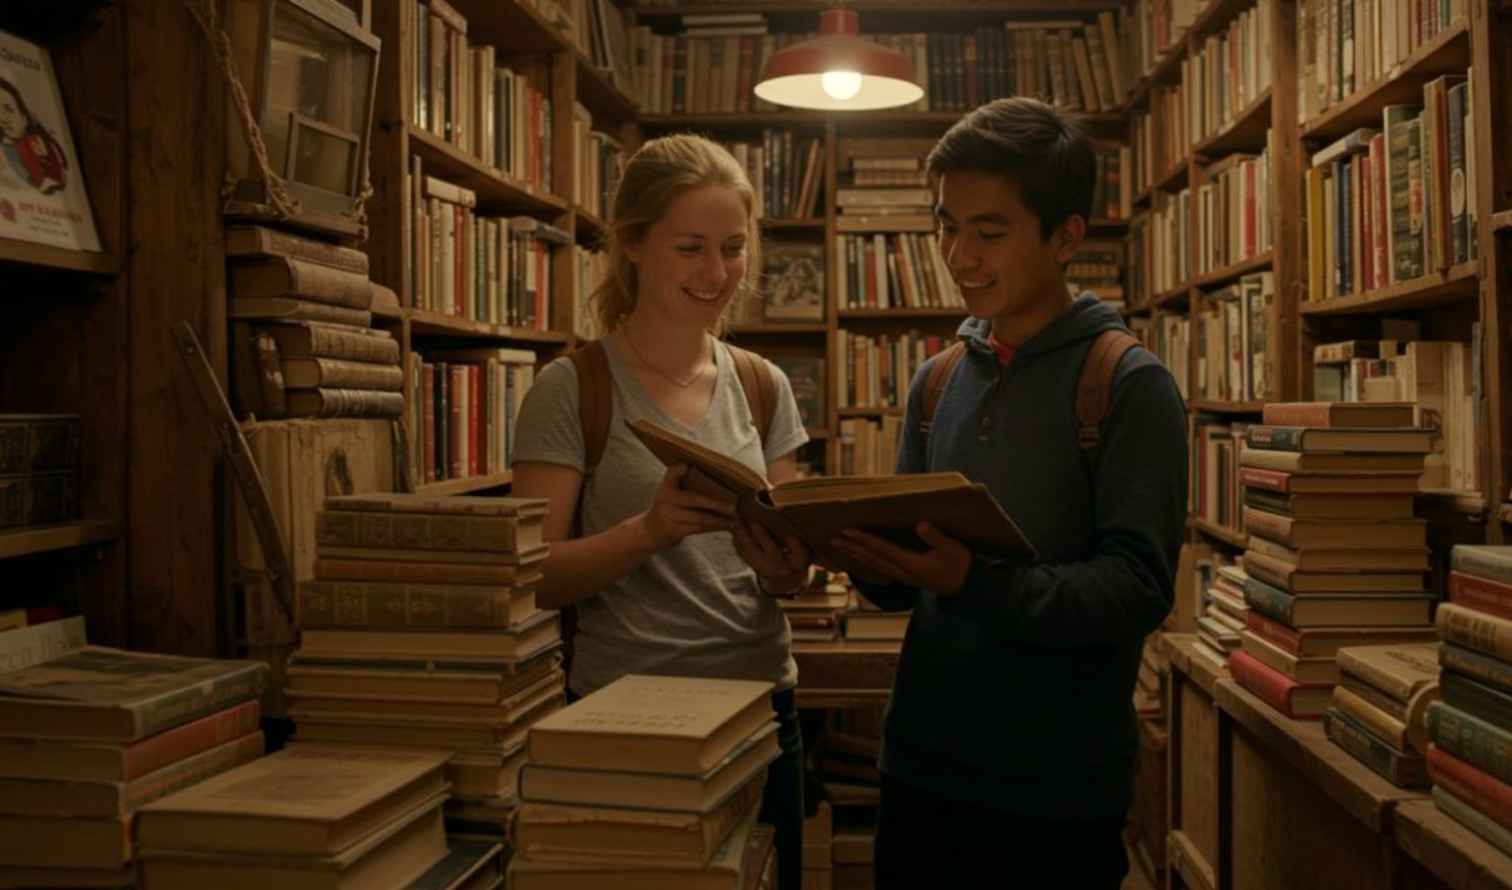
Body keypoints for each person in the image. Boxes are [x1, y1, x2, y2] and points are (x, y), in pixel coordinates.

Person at [828, 97, 1189, 888]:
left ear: (1066, 237)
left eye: (988, 232)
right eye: (946, 226)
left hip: (1055, 794)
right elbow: (898, 590)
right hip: (920, 770)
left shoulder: (1129, 385)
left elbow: (1136, 590)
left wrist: (970, 580)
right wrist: (849, 549)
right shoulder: (937, 380)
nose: (958, 256)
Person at [511, 133, 813, 890]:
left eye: (733, 248)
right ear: (634, 245)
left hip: (763, 708)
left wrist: (784, 567)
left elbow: (790, 571)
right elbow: (534, 579)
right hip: (625, 720)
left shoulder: (764, 384)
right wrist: (648, 531)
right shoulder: (572, 389)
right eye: (690, 249)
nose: (717, 274)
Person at [0, 77, 67, 194]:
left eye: (9, 109)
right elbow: (19, 171)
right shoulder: (8, 148)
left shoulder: (38, 137)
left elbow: (57, 154)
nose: (2, 119)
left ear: (24, 115)